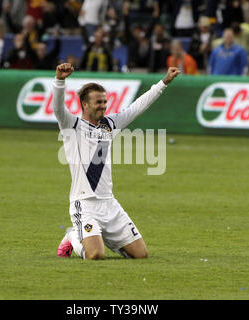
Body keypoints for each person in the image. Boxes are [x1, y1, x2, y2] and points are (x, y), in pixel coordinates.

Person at [54, 62, 180, 260]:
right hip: (84, 204)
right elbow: (57, 107)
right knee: (95, 255)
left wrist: (163, 82)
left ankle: (99, 236)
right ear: (85, 104)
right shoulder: (72, 126)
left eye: (104, 102)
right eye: (98, 102)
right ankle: (72, 236)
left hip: (109, 204)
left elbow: (137, 107)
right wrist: (60, 81)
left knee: (141, 255)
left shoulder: (110, 124)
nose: (103, 106)